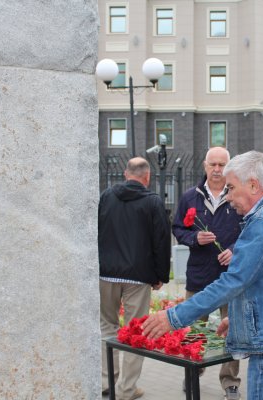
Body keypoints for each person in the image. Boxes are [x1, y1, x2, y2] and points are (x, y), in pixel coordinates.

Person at [143, 151, 263, 400]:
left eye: (231, 188)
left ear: (253, 185)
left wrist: (174, 317)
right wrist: (237, 318)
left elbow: (234, 281)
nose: (228, 196)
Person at [172, 147, 242, 400]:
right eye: (212, 164)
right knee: (195, 328)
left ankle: (231, 382)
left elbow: (250, 230)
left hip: (230, 276)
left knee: (234, 331)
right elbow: (178, 228)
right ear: (204, 166)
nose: (217, 169)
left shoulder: (238, 194)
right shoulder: (191, 196)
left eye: (222, 164)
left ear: (229, 166)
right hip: (199, 275)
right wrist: (194, 238)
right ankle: (193, 371)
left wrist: (235, 250)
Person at [98, 157, 171, 400]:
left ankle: (107, 380)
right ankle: (126, 389)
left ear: (125, 174)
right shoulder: (152, 202)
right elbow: (161, 240)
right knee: (135, 331)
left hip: (106, 273)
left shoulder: (106, 196)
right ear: (147, 177)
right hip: (138, 277)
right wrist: (160, 275)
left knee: (106, 325)